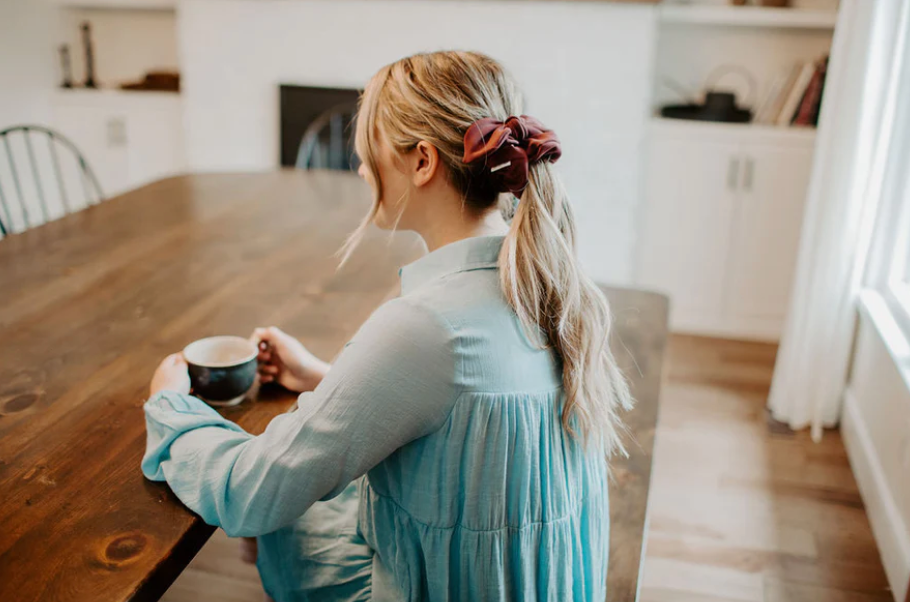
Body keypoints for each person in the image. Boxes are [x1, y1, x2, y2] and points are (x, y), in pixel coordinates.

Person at [143, 50, 631, 602]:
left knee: (285, 504)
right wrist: (325, 378)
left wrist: (170, 410)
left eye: (367, 148)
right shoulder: (543, 280)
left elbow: (253, 489)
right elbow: (463, 415)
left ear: (423, 161)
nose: (359, 167)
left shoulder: (427, 326)